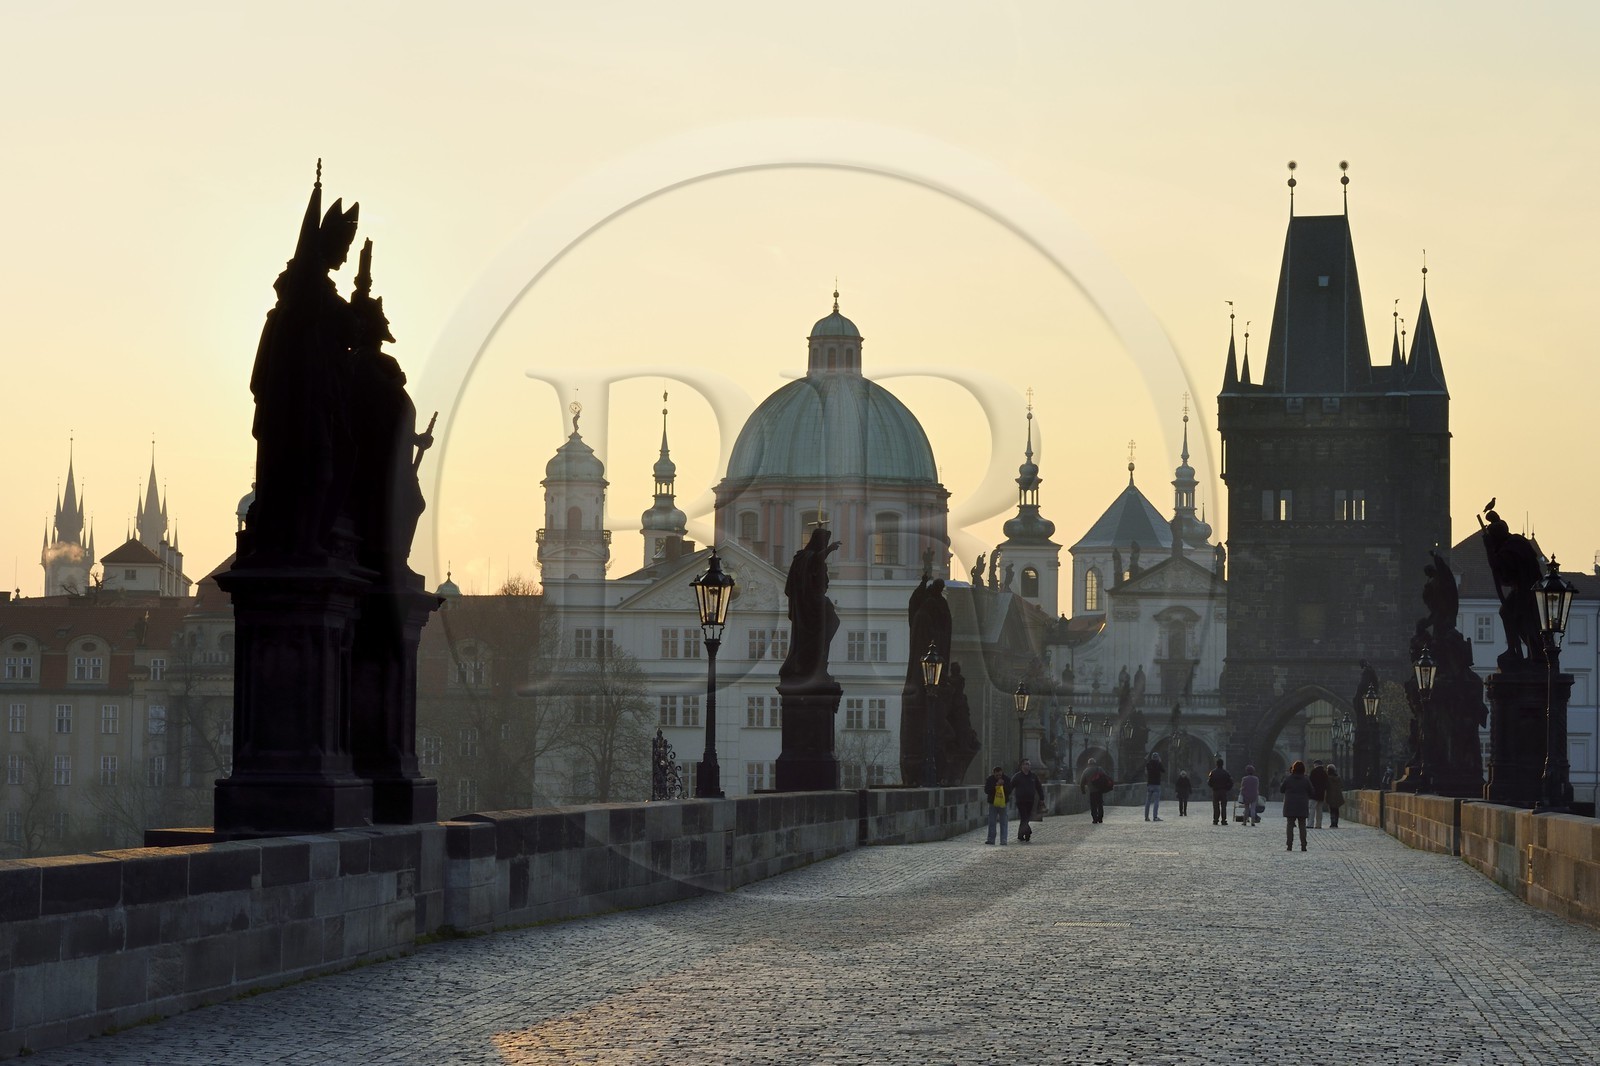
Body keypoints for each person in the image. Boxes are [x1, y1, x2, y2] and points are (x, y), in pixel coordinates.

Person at [1280, 760, 1314, 851]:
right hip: (1302, 804)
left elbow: (1282, 789)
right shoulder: (1306, 779)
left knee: (1290, 825)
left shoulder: (1288, 779)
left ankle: (1289, 845)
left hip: (1290, 804)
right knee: (1302, 825)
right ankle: (1303, 845)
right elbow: (1312, 791)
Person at [1010, 758, 1044, 842]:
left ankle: (1020, 835)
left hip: (1030, 801)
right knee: (1024, 817)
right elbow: (1010, 786)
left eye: (1028, 764)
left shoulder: (1033, 776)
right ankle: (1028, 832)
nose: (1027, 766)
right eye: (1025, 764)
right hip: (1020, 801)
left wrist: (1042, 798)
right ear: (1021, 766)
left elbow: (1039, 788)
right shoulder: (1017, 776)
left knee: (1025, 818)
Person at [983, 765, 1009, 845]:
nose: (998, 776)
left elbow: (1009, 790)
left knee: (1003, 822)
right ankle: (991, 839)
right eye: (996, 775)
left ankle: (1003, 840)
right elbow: (986, 790)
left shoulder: (1006, 779)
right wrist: (996, 786)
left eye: (1000, 775)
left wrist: (1003, 786)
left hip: (1003, 803)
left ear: (1002, 773)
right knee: (992, 822)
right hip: (992, 803)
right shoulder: (990, 779)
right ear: (993, 773)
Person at [1080, 758, 1112, 823]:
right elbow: (1106, 777)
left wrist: (1083, 790)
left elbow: (1082, 782)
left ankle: (1095, 819)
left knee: (1093, 805)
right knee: (1100, 804)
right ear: (1095, 763)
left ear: (1088, 764)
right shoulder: (1099, 769)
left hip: (1092, 791)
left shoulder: (1086, 771)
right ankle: (1100, 818)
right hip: (1099, 790)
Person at [1207, 757, 1234, 825]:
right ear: (1222, 764)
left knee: (1216, 806)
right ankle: (1224, 820)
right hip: (1223, 791)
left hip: (1215, 791)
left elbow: (1209, 782)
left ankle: (1216, 819)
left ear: (1216, 764)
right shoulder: (1226, 773)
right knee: (1224, 806)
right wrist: (1227, 788)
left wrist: (1212, 787)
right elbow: (1230, 782)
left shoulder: (1212, 772)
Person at [1144, 752, 1164, 821]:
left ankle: (1146, 817)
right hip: (1156, 785)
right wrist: (1160, 762)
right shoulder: (1158, 764)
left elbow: (1146, 765)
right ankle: (1155, 817)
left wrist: (1146, 760)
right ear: (1158, 757)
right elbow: (1163, 770)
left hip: (1150, 784)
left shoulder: (1148, 764)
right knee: (1156, 801)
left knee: (1148, 801)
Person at [1309, 760, 1329, 828]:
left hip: (1313, 794)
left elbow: (1310, 783)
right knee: (1319, 810)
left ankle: (1310, 824)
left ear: (1315, 764)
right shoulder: (1324, 773)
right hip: (1321, 794)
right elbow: (1326, 784)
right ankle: (1318, 824)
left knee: (1312, 809)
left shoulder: (1313, 772)